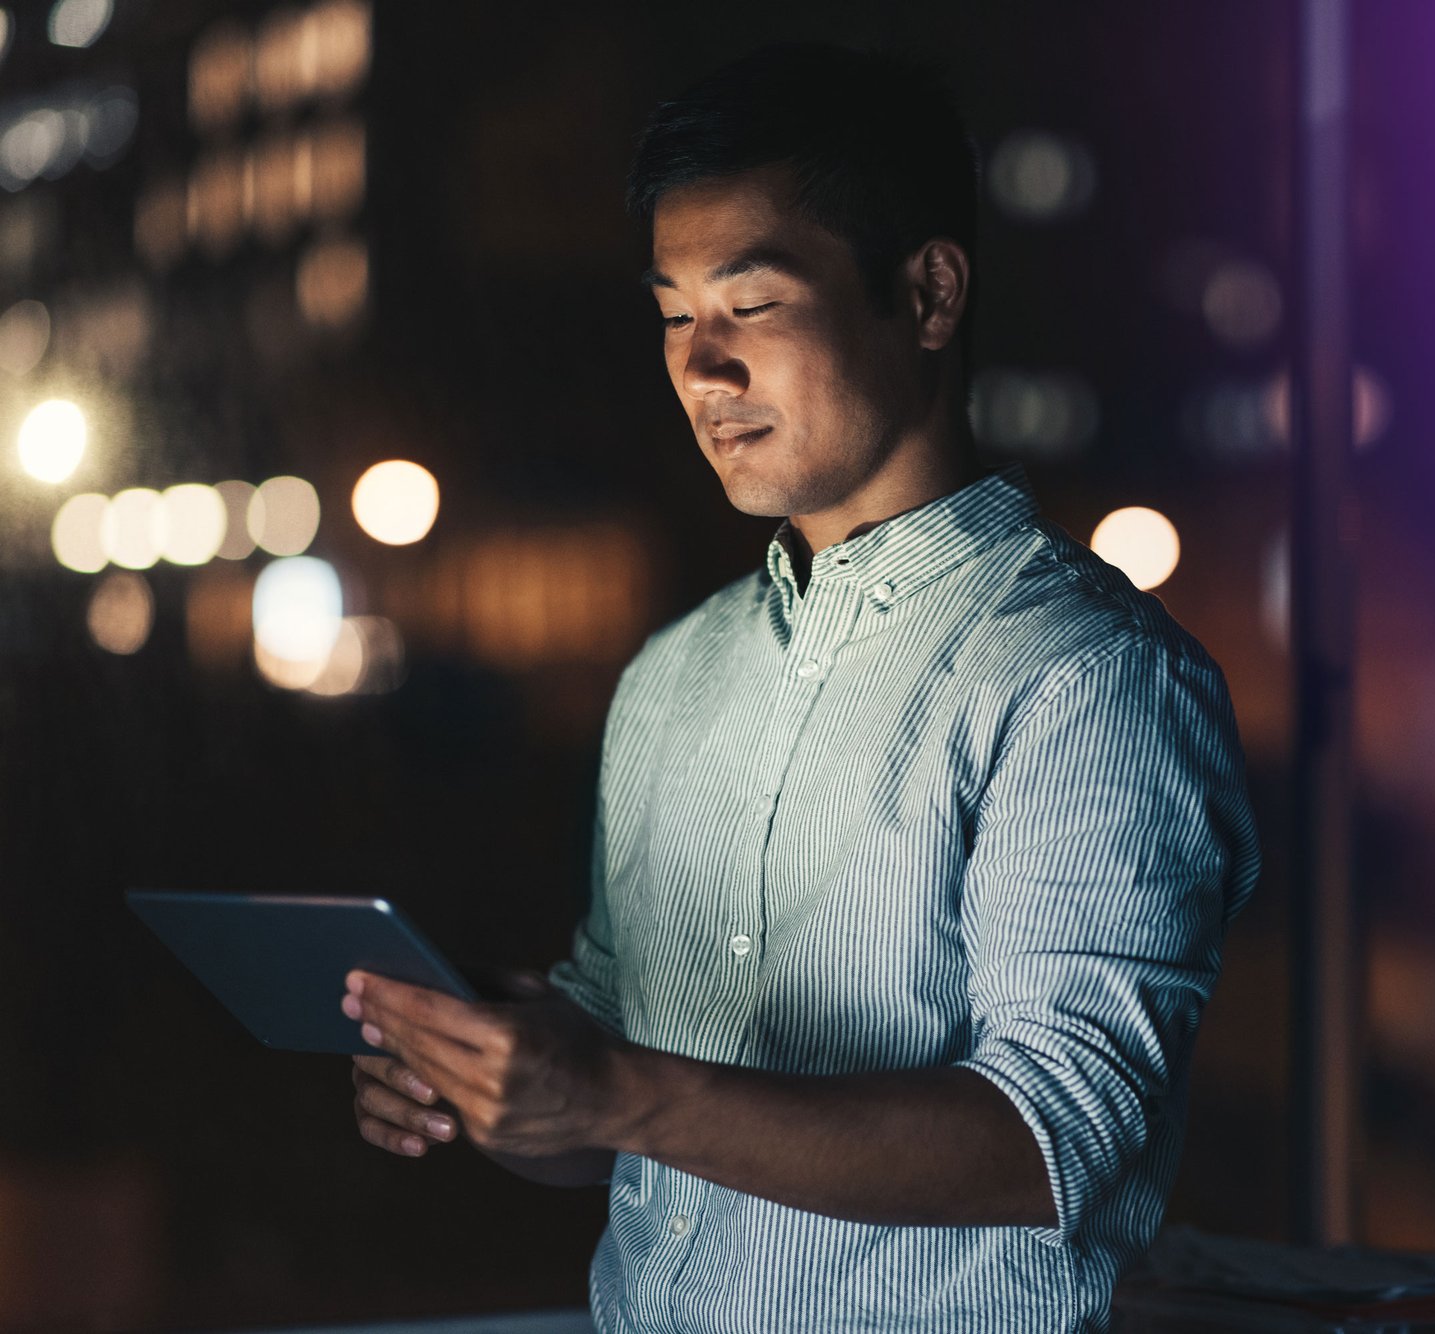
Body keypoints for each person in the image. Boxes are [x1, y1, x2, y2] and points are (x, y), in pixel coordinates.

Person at [343, 41, 1259, 1333]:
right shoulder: (673, 672)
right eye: (673, 314)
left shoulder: (1090, 678)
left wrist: (616, 1088)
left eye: (750, 304)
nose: (701, 370)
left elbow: (1058, 1136)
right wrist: (498, 1085)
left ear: (929, 294)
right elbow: (617, 1106)